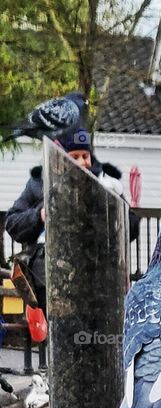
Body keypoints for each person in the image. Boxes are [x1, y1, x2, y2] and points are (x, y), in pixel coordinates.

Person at [5, 127, 139, 313]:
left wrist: (108, 213)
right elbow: (13, 223)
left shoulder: (106, 185)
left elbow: (131, 226)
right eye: (74, 156)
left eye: (85, 156)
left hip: (96, 280)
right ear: (59, 159)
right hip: (51, 281)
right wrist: (40, 216)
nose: (82, 162)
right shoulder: (39, 185)